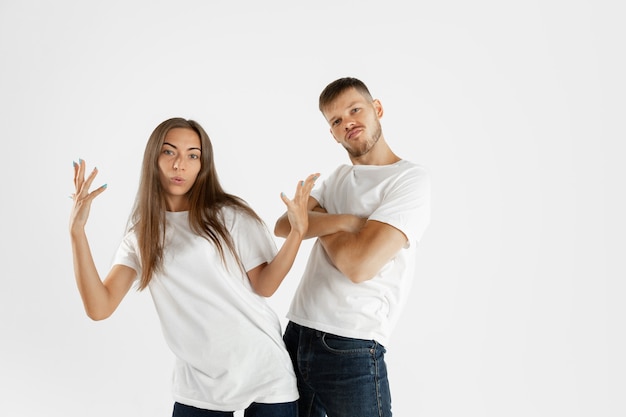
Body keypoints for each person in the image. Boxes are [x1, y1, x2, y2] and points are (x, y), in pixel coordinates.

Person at [69, 117, 319, 417]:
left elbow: (265, 285)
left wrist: (297, 233)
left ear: (203, 165)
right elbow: (100, 307)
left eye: (192, 155)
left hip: (264, 373)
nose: (180, 165)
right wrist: (77, 232)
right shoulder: (141, 235)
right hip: (199, 386)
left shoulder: (229, 215)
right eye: (169, 152)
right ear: (153, 159)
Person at [275, 77, 431, 417]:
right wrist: (345, 221)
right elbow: (284, 225)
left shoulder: (409, 180)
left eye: (355, 110)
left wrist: (315, 220)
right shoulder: (338, 177)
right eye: (336, 120)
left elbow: (358, 265)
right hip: (297, 332)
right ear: (331, 133)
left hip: (351, 343)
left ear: (377, 109)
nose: (347, 123)